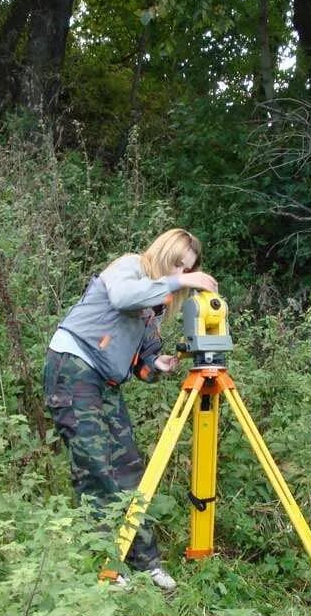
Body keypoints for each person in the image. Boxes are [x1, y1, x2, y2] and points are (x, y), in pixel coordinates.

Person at [43, 228, 218, 589]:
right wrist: (179, 282)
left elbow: (143, 362)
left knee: (128, 469)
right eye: (178, 265)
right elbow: (123, 297)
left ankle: (146, 562)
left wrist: (158, 366)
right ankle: (107, 564)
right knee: (95, 464)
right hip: (74, 367)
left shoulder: (154, 309)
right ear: (165, 252)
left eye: (187, 269)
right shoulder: (129, 268)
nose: (181, 273)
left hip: (106, 383)